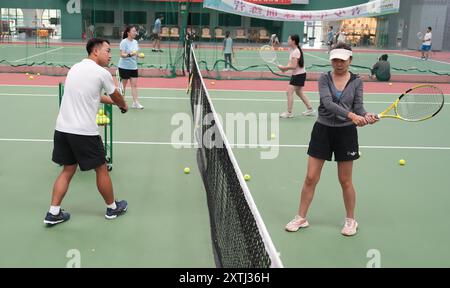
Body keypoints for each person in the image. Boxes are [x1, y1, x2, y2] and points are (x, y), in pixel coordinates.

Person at [285, 43, 378, 236]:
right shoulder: (324, 78)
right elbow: (327, 104)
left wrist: (366, 116)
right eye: (335, 59)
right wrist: (352, 116)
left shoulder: (357, 81)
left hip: (346, 134)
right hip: (322, 131)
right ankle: (301, 217)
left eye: (342, 60)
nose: (338, 63)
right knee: (310, 178)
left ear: (350, 60)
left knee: (345, 181)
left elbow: (358, 107)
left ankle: (351, 220)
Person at [44, 38, 129, 226]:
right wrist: (123, 105)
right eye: (107, 50)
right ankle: (112, 208)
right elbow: (116, 95)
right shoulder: (102, 73)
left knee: (68, 169)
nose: (110, 55)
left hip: (62, 129)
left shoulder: (75, 68)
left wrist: (116, 103)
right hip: (84, 132)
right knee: (101, 168)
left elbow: (92, 95)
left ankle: (53, 212)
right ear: (95, 51)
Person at [277, 34, 315, 118]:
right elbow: (291, 63)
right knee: (299, 92)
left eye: (289, 39)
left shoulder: (296, 52)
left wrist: (283, 68)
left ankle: (289, 112)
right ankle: (310, 109)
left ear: (293, 41)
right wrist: (284, 69)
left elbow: (293, 66)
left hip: (299, 75)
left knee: (289, 92)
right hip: (299, 74)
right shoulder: (292, 50)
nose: (287, 40)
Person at [118, 26, 145, 109]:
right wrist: (130, 55)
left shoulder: (135, 42)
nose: (135, 33)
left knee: (134, 85)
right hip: (124, 67)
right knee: (123, 85)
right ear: (128, 33)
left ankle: (135, 103)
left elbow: (135, 53)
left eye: (135, 31)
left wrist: (139, 55)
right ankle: (122, 102)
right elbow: (122, 55)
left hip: (133, 67)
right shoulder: (124, 42)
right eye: (133, 31)